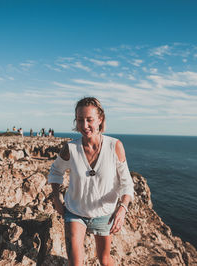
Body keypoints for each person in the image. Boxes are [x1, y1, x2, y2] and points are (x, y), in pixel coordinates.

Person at [48, 97, 134, 266]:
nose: (85, 125)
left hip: (104, 213)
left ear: (100, 119)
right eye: (80, 120)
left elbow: (127, 183)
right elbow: (55, 171)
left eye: (89, 120)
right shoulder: (71, 148)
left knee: (105, 260)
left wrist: (122, 208)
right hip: (75, 211)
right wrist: (57, 198)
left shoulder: (114, 146)